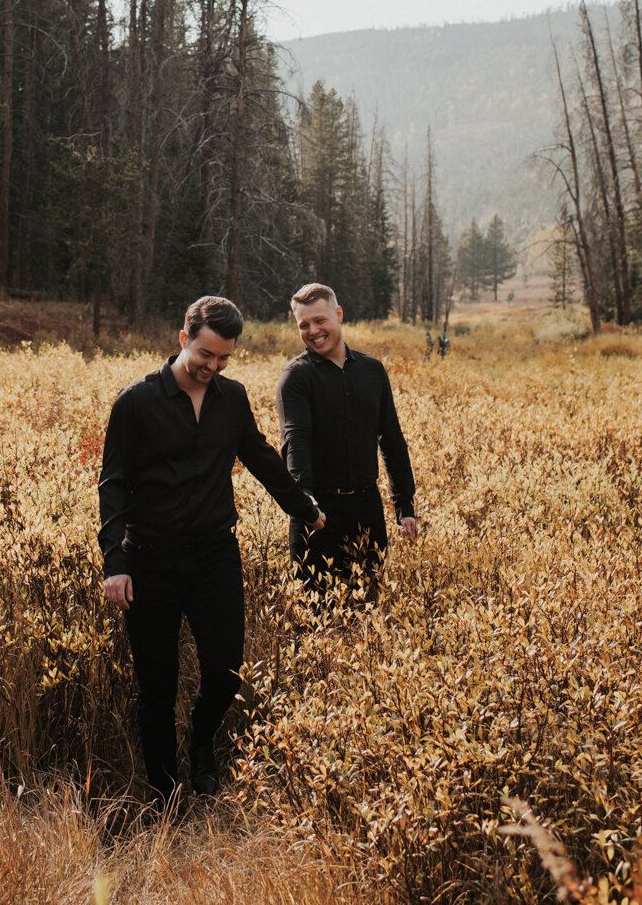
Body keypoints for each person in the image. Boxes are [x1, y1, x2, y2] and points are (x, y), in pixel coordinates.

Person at [98, 294, 325, 802]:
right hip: (150, 559)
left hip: (214, 556)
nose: (213, 367)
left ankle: (201, 750)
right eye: (205, 354)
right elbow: (113, 485)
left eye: (224, 358)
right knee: (156, 688)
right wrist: (116, 563)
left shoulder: (232, 398)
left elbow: (262, 456)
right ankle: (163, 789)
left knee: (225, 673)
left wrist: (303, 507)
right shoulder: (136, 403)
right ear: (183, 340)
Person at [276, 283, 418, 598]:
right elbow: (294, 441)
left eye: (320, 321)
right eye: (304, 325)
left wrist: (404, 505)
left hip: (367, 510)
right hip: (317, 516)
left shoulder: (372, 371)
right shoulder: (295, 378)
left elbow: (392, 440)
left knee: (369, 615)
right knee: (317, 621)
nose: (313, 331)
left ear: (338, 314)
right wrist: (305, 499)